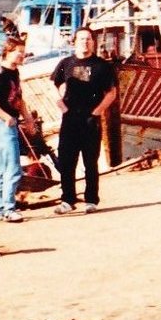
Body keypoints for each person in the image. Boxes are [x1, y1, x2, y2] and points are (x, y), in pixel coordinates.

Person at [50, 28, 117, 214]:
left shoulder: (102, 66)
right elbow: (53, 84)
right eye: (81, 39)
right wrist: (62, 106)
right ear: (74, 42)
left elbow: (111, 93)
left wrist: (97, 111)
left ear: (93, 42)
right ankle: (67, 200)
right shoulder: (65, 63)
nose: (84, 42)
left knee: (90, 161)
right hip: (70, 118)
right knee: (67, 160)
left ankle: (91, 200)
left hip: (90, 119)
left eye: (88, 39)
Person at [0, 37, 30, 223]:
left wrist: (28, 119)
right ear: (8, 51)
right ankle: (8, 208)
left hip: (10, 122)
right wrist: (7, 118)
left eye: (23, 52)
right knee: (12, 168)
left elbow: (19, 99)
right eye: (18, 52)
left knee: (3, 169)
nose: (22, 55)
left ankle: (1, 209)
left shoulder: (15, 73)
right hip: (2, 124)